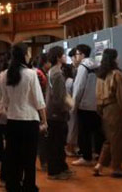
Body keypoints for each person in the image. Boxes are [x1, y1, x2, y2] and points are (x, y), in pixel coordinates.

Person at [1, 44, 47, 192]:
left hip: (12, 120)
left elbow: (5, 101)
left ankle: (12, 184)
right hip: (29, 120)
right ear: (24, 55)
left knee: (13, 155)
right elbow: (38, 101)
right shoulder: (31, 74)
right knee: (29, 156)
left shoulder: (4, 75)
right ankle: (29, 185)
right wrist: (44, 121)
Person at [93, 48, 122, 178]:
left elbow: (97, 95)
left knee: (109, 139)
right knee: (118, 140)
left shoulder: (100, 75)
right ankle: (117, 168)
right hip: (115, 108)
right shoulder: (117, 74)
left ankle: (99, 165)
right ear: (114, 58)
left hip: (104, 109)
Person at [44, 46, 73, 181]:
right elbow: (59, 97)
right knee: (56, 143)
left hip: (53, 113)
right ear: (58, 57)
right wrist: (66, 108)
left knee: (57, 143)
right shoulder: (57, 73)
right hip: (56, 114)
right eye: (63, 55)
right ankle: (55, 171)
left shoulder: (53, 71)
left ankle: (60, 167)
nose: (65, 57)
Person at [71, 44, 103, 166]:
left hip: (84, 104)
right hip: (97, 103)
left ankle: (86, 157)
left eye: (77, 54)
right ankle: (99, 154)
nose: (76, 56)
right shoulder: (97, 65)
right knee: (97, 131)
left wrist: (74, 102)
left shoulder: (83, 67)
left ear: (83, 55)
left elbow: (79, 86)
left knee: (84, 132)